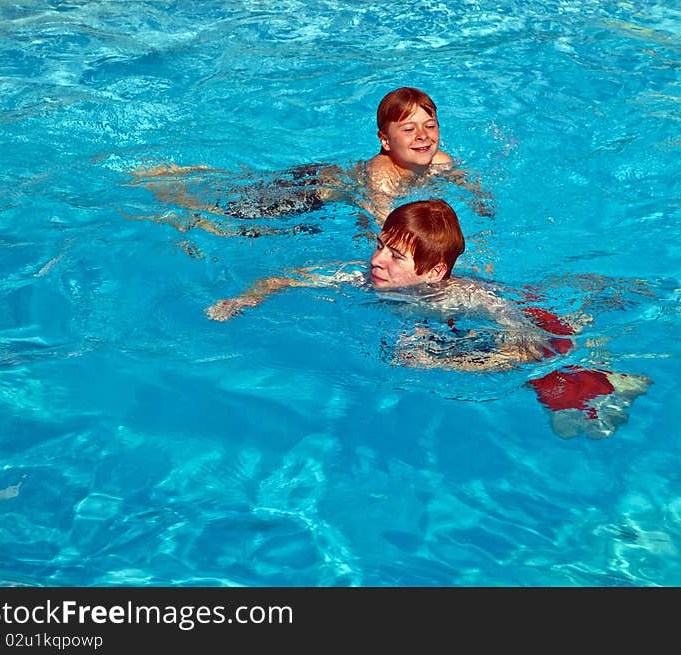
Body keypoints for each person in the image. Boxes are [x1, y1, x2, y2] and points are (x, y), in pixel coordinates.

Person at [207, 199, 650, 440]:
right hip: (451, 324)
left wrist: (446, 362)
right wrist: (243, 300)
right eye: (380, 245)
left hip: (523, 311)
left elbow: (527, 340)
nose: (376, 260)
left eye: (394, 255)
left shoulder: (463, 293)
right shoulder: (365, 277)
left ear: (434, 271)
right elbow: (291, 278)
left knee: (547, 364)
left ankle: (611, 380)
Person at [127, 87, 492, 238]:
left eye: (430, 126)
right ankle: (170, 188)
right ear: (385, 141)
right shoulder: (382, 175)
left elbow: (467, 182)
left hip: (325, 181)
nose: (423, 136)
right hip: (309, 190)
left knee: (242, 189)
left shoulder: (439, 161)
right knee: (233, 212)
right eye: (409, 129)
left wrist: (481, 203)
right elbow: (384, 223)